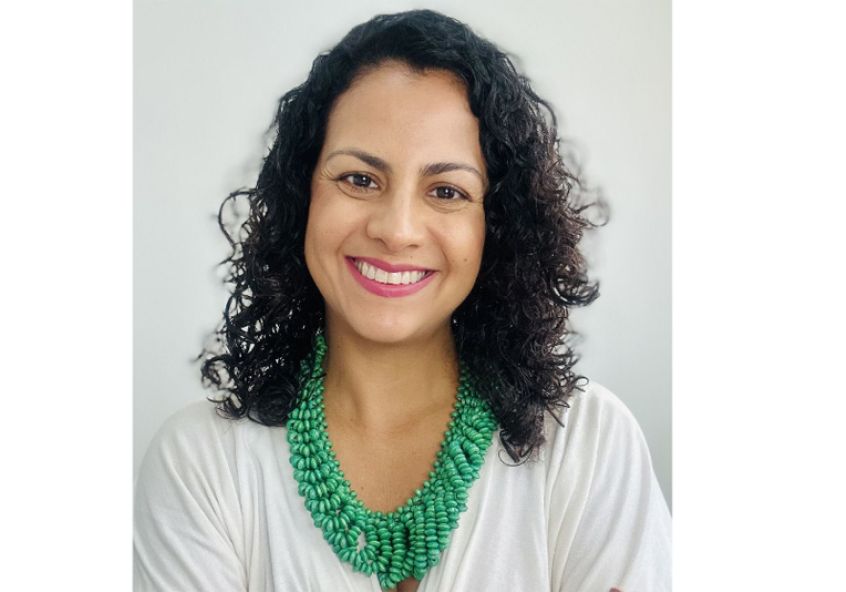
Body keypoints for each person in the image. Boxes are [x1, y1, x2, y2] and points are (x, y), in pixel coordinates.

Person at [134, 9, 671, 591]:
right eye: (359, 179)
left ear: (496, 227)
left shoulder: (587, 442)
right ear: (302, 195)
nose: (397, 230)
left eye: (447, 191)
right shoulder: (200, 463)